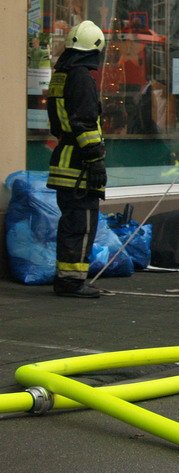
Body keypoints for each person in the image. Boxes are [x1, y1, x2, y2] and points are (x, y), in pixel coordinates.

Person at [46, 20, 107, 298]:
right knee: (81, 225)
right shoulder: (82, 77)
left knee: (71, 223)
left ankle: (66, 278)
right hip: (78, 165)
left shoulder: (61, 75)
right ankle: (71, 282)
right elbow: (83, 122)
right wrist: (94, 160)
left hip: (64, 159)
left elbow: (61, 123)